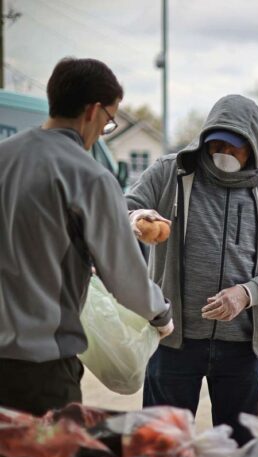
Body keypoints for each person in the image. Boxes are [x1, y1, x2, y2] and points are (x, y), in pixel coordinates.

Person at [126, 94, 258, 444]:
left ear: (252, 146)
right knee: (161, 446)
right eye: (215, 143)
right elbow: (122, 209)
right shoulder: (172, 172)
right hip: (174, 341)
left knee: (237, 449)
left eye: (233, 146)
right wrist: (138, 217)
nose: (222, 151)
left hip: (240, 347)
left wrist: (246, 294)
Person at [0, 57, 173, 416]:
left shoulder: (5, 157)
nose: (103, 130)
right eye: (110, 121)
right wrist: (160, 315)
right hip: (42, 369)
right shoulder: (90, 176)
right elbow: (124, 278)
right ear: (93, 111)